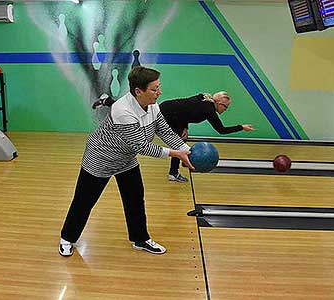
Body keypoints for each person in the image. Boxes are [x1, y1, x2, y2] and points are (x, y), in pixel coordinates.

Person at [59, 66, 194, 257]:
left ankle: (140, 238)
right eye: (155, 89)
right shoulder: (123, 110)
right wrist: (175, 153)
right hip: (100, 158)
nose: (159, 92)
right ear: (139, 91)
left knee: (135, 198)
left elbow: (163, 130)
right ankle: (67, 238)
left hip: (126, 159)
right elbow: (141, 146)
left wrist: (187, 150)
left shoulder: (153, 106)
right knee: (84, 201)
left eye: (159, 87)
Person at [92, 91, 255, 182]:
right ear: (220, 103)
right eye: (226, 108)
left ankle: (173, 172)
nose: (225, 110)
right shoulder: (209, 110)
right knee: (140, 118)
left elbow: (187, 110)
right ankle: (173, 173)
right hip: (168, 113)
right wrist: (242, 127)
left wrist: (185, 126)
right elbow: (222, 130)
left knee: (178, 139)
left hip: (172, 111)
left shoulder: (203, 98)